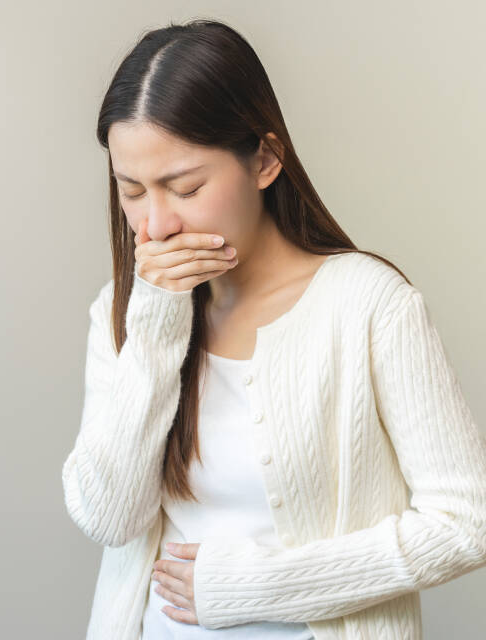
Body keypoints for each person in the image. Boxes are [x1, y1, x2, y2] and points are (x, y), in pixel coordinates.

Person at [62, 18, 486, 640]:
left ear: (264, 159)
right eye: (131, 191)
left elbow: (466, 522)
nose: (154, 226)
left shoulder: (369, 305)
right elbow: (109, 517)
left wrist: (256, 585)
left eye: (185, 188)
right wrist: (155, 321)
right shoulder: (126, 309)